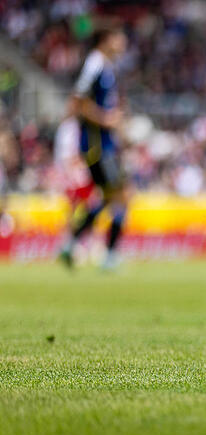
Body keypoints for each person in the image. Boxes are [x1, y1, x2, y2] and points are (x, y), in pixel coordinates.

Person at [59, 26, 129, 271]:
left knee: (109, 198)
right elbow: (78, 101)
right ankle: (109, 255)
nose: (123, 43)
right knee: (121, 196)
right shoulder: (95, 64)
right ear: (106, 39)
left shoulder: (106, 66)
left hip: (104, 144)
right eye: (119, 37)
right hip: (97, 146)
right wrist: (105, 119)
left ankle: (71, 243)